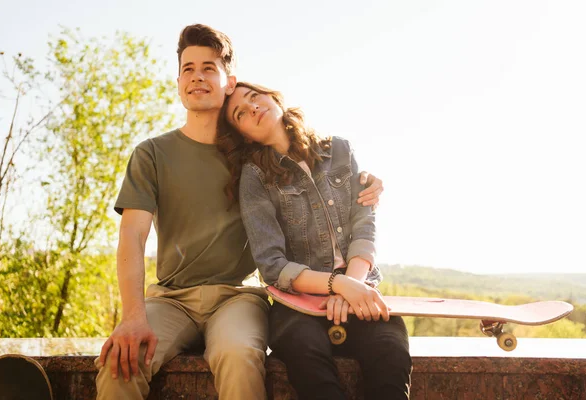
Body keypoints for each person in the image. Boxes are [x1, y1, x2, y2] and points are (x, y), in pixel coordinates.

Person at [95, 25, 384, 400]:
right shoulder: (151, 154)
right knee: (121, 363)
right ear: (178, 81)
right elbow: (132, 237)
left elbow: (318, 169)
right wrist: (132, 318)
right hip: (170, 298)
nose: (197, 76)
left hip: (237, 296)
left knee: (240, 355)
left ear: (228, 81)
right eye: (187, 69)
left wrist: (367, 181)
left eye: (208, 68)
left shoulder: (255, 159)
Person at [217, 82, 412, 400]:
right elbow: (272, 265)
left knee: (391, 353)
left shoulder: (339, 150)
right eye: (241, 113)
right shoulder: (255, 178)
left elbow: (365, 226)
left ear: (274, 99)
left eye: (255, 97)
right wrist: (337, 285)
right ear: (245, 135)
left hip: (360, 288)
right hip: (297, 305)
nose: (252, 107)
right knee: (308, 361)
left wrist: (352, 286)